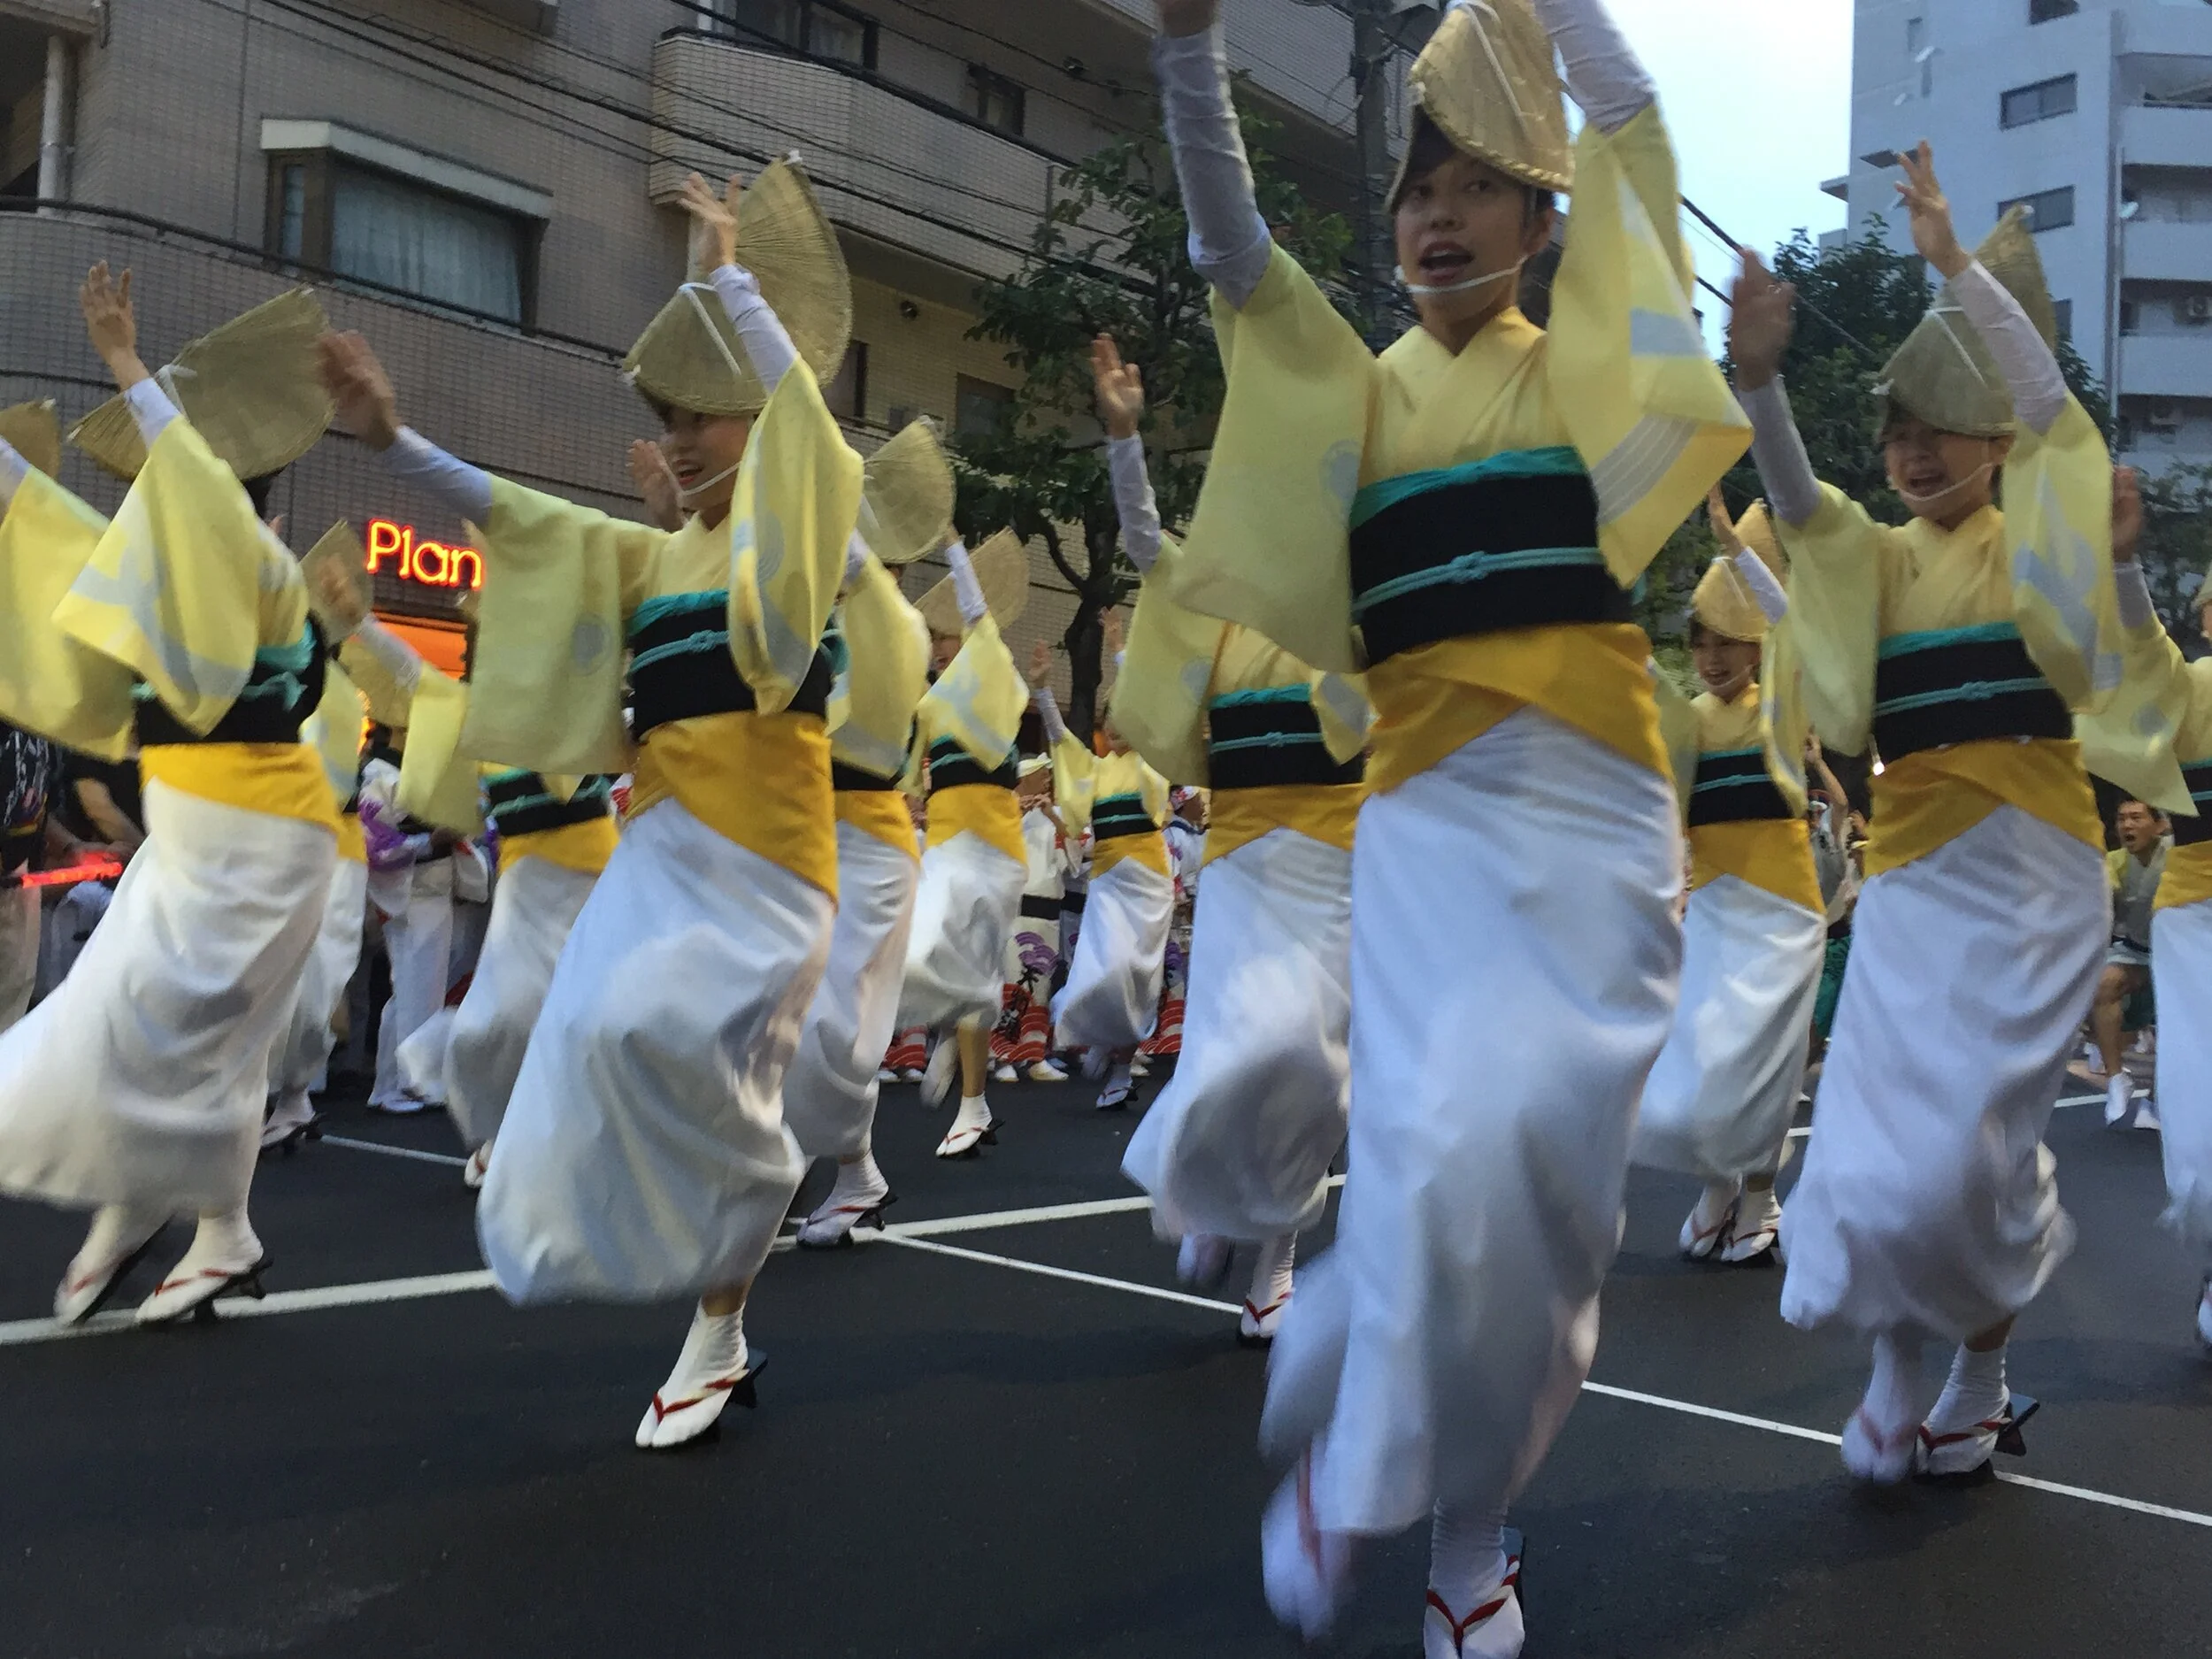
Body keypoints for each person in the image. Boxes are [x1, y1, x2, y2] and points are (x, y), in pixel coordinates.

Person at [1148, 0, 1744, 1648]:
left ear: (1547, 224)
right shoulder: (1356, 396)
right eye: (1420, 183)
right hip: (1424, 827)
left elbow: (1633, 130)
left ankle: (1435, 1471)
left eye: (1480, 184)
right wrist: (1187, 49)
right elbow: (1228, 245)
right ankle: (1442, 1526)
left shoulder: (1596, 376)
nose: (1436, 212)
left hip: (1600, 822)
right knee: (1442, 1158)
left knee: (1540, 1185)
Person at [319, 162, 859, 1448]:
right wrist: (395, 439)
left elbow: (813, 435)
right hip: (661, 850)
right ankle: (718, 1297)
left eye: (706, 415)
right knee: (596, 1033)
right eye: (671, 415)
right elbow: (525, 515)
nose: (681, 437)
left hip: (774, 866)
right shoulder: (658, 552)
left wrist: (728, 276)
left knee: (679, 1048)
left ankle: (724, 1305)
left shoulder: (803, 546)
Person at [1732, 144, 2155, 1485]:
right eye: (1898, 429)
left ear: (1999, 441)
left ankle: (1976, 1363)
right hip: (1910, 882)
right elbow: (1796, 504)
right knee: (1868, 1157)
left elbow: (2057, 415)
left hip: (2035, 882)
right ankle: (1903, 1362)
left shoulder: (2039, 529)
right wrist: (1754, 382)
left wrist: (1955, 268)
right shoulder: (1876, 555)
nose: (1914, 451)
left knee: (1968, 1164)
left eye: (1942, 427)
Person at [0, 270, 340, 1324]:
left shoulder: (256, 563)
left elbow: (189, 489)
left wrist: (125, 364)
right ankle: (208, 1227)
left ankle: (155, 1210)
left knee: (120, 1030)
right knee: (205, 1051)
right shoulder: (184, 565)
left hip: (252, 843)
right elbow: (35, 510)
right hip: (211, 845)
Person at [1099, 333, 1368, 1344]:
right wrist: (1124, 439)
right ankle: (1216, 1200)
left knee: (1304, 1066)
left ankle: (1277, 1251)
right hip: (1246, 866)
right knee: (1227, 1057)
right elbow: (1142, 548)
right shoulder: (1216, 619)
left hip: (1337, 868)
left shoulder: (1353, 614)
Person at [1633, 490, 1819, 1267]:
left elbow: (1801, 634)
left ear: (1757, 647)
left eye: (1730, 641)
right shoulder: (1688, 718)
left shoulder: (1780, 708)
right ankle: (1718, 1187)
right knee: (1703, 1062)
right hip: (1711, 911)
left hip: (1781, 917)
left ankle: (1758, 1195)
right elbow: (1630, 674)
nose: (1712, 656)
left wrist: (1737, 555)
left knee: (1766, 1065)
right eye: (1702, 640)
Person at [785, 423, 945, 1244]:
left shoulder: (901, 631)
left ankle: (818, 1164)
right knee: (777, 1014)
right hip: (800, 834)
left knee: (833, 1031)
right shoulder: (824, 623)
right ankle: (837, 1172)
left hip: (874, 846)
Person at [895, 534, 1033, 1157]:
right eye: (933, 639)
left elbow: (980, 620)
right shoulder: (926, 706)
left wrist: (953, 549)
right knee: (926, 953)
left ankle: (973, 1104)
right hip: (948, 847)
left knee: (976, 974)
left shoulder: (988, 673)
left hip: (998, 849)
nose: (938, 646)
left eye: (942, 636)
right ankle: (957, 1044)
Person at [1034, 618, 1174, 1112]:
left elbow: (1148, 713)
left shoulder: (1149, 763)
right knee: (1100, 970)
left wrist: (1120, 651)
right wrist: (1044, 693)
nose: (1111, 727)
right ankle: (1101, 1038)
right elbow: (1063, 745)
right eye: (1106, 719)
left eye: (1120, 718)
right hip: (1109, 882)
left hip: (1148, 879)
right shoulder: (1098, 771)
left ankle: (1120, 1066)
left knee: (1135, 975)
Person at [991, 757, 1071, 1084]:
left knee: (1041, 986)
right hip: (1016, 910)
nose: (1048, 778)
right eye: (1042, 774)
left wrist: (1051, 813)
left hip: (1049, 909)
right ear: (1025, 779)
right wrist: (1016, 814)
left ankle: (1035, 1054)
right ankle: (1003, 1055)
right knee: (1013, 983)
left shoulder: (1056, 814)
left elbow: (1077, 855)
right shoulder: (1003, 810)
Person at [2092, 796, 2166, 1128]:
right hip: (2136, 951)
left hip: (2174, 954)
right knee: (2105, 985)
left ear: (2160, 825)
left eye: (2136, 818)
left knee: (2176, 1030)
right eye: (2122, 819)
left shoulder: (2178, 855)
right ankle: (2115, 1077)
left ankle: (2155, 1102)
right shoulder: (2116, 862)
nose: (2127, 826)